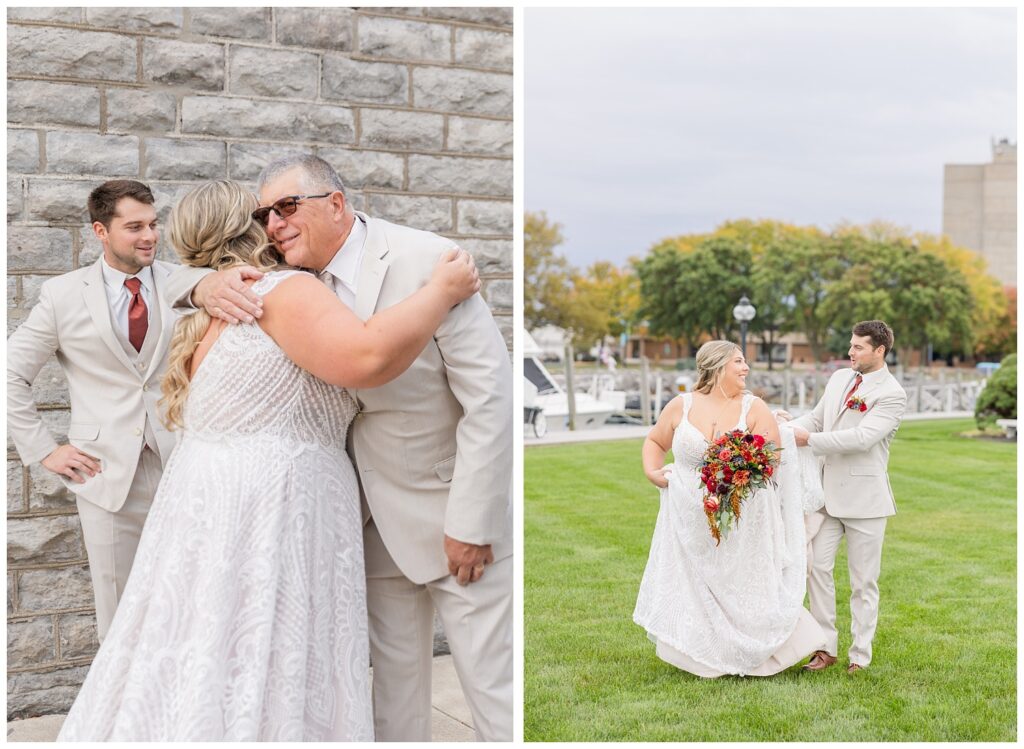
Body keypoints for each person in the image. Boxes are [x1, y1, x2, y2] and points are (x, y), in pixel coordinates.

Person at [56, 180, 481, 741]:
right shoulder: (282, 291)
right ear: (253, 228)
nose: (280, 222)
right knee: (270, 647)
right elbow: (368, 357)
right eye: (268, 214)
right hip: (275, 501)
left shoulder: (207, 308)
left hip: (208, 496)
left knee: (213, 647)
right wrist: (440, 292)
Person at [164, 155, 513, 741]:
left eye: (286, 207)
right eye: (263, 214)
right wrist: (202, 283)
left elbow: (491, 398)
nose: (274, 224)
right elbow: (179, 263)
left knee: (491, 685)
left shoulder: (427, 262)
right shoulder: (275, 271)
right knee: (387, 690)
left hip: (447, 513)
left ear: (335, 202)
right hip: (357, 523)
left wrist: (472, 520)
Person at [7, 180, 175, 640]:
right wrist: (44, 450)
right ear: (101, 230)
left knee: (186, 606)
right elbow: (9, 372)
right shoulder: (63, 296)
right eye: (135, 226)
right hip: (104, 478)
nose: (150, 236)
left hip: (185, 468)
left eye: (154, 224)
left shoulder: (183, 283)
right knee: (120, 617)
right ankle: (121, 712)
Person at [634, 340, 827, 677]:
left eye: (745, 361)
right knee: (693, 582)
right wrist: (652, 472)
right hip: (688, 517)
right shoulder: (680, 406)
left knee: (742, 581)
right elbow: (655, 441)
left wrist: (737, 474)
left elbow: (772, 456)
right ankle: (701, 655)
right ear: (717, 365)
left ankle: (754, 650)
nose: (746, 368)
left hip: (743, 516)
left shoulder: (753, 408)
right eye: (739, 361)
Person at [784, 320, 907, 674]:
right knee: (816, 568)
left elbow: (863, 438)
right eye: (850, 345)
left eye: (858, 347)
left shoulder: (892, 393)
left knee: (863, 581)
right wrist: (790, 428)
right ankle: (825, 647)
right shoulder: (839, 378)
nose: (850, 352)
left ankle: (860, 655)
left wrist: (810, 442)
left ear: (879, 350)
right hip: (826, 496)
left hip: (866, 501)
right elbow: (817, 418)